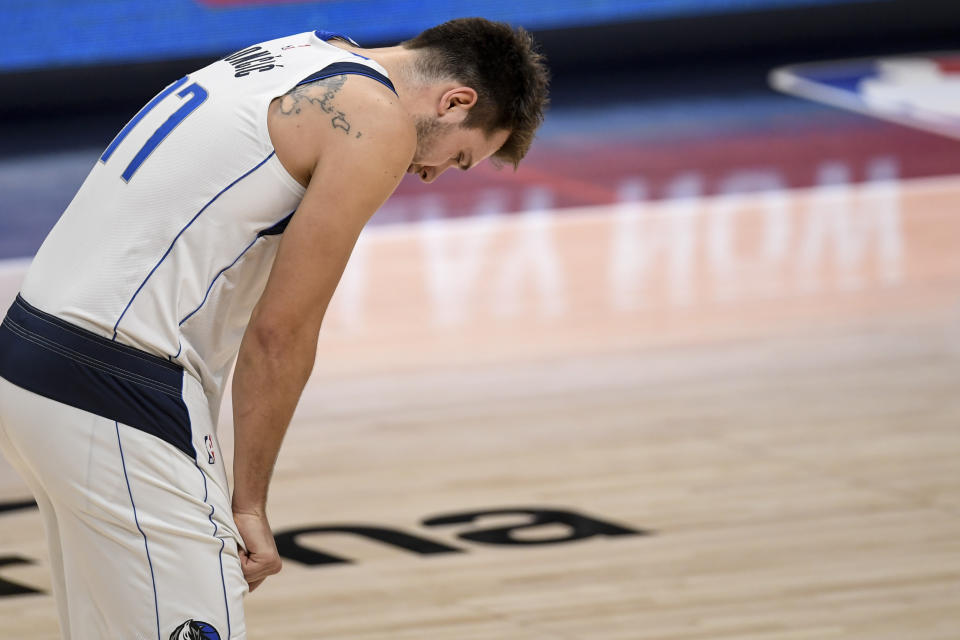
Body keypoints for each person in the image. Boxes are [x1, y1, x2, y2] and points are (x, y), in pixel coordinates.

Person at [0, 18, 549, 639]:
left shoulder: (294, 52)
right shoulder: (376, 120)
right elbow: (281, 334)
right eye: (459, 157)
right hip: (115, 385)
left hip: (29, 355)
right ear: (456, 101)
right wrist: (249, 503)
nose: (432, 173)